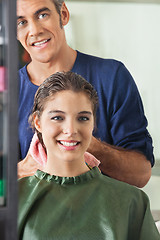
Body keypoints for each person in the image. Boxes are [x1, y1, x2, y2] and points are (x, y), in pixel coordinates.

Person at [17, 0, 154, 187]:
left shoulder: (111, 76)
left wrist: (89, 145)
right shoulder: (8, 92)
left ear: (63, 14)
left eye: (43, 15)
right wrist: (23, 169)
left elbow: (141, 174)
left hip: (104, 214)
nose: (34, 30)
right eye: (21, 22)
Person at [18, 71, 160, 240]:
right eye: (57, 117)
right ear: (38, 122)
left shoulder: (133, 203)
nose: (70, 130)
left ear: (93, 123)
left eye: (83, 118)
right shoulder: (15, 200)